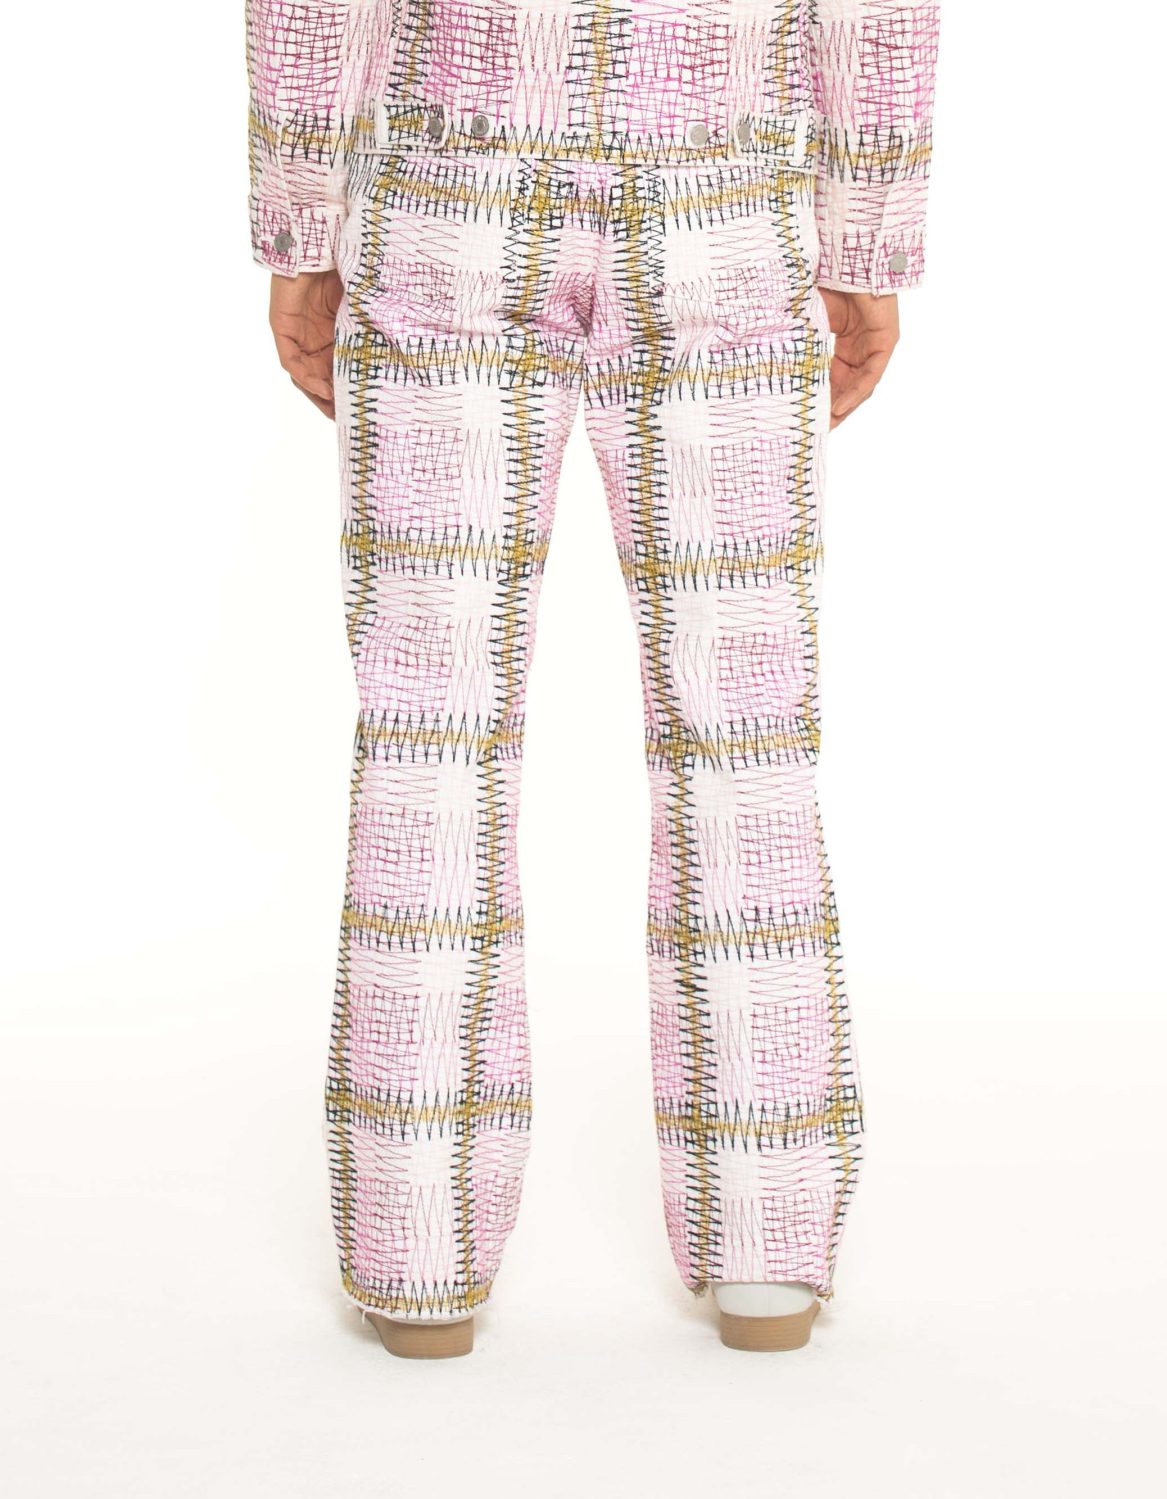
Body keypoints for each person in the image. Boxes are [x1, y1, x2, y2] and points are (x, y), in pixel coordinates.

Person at [245, 0, 941, 1359]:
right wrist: (865, 233)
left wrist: (301, 220)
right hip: (723, 198)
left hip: (449, 192)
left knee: (429, 742)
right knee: (744, 742)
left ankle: (418, 1260)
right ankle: (768, 1258)